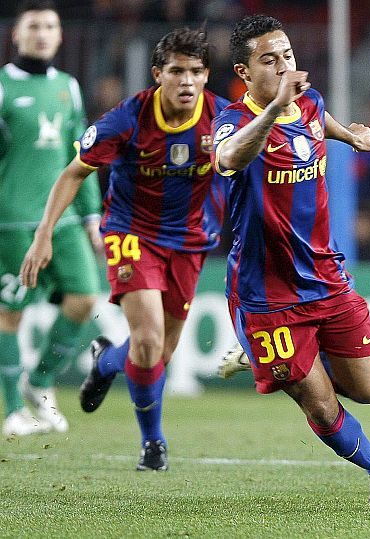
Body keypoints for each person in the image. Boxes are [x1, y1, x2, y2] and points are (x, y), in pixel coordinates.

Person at [211, 15, 370, 504]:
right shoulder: (233, 121)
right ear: (244, 70)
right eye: (268, 60)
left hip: (325, 275)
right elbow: (229, 158)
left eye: (287, 56)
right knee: (318, 405)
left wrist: (349, 137)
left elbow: (318, 120)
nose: (282, 67)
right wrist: (274, 107)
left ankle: (267, 357)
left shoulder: (311, 103)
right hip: (267, 292)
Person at [20, 27, 230, 471]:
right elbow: (73, 172)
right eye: (176, 71)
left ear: (207, 75)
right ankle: (153, 444)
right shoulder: (127, 118)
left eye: (195, 71)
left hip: (190, 241)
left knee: (158, 352)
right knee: (150, 339)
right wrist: (43, 235)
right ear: (158, 74)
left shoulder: (224, 120)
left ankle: (107, 360)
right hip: (132, 234)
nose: (186, 81)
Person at [0, 0, 102, 437]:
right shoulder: (3, 86)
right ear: (17, 35)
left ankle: (38, 381)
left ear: (60, 36)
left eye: (50, 26)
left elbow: (82, 155)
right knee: (10, 313)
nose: (42, 33)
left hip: (62, 220)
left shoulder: (70, 87)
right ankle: (11, 412)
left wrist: (92, 214)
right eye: (34, 26)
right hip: (13, 220)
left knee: (85, 298)